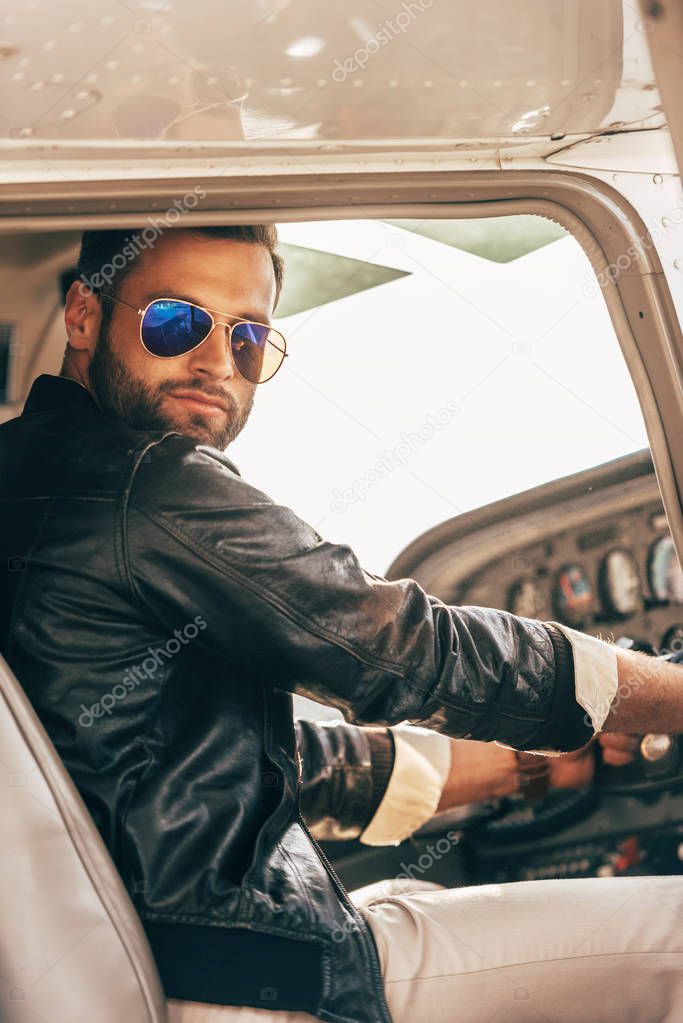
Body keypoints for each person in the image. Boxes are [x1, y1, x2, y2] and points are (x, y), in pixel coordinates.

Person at [1, 223, 682, 1023]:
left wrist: (523, 767)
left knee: (414, 893)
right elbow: (403, 650)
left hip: (163, 953)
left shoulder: (28, 475)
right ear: (83, 315)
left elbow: (224, 768)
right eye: (177, 322)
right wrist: (663, 692)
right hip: (228, 979)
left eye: (249, 338)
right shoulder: (145, 481)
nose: (218, 362)